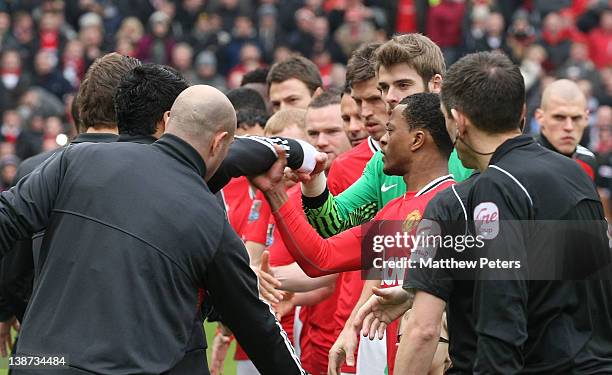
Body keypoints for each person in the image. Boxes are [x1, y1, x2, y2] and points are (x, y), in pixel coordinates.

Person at [0, 85, 306, 374]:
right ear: (218, 143)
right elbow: (256, 324)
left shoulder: (77, 159)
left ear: (170, 120)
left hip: (40, 362)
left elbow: (6, 219)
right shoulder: (208, 216)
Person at [358, 51, 612, 374]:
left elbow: (428, 331)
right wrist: (419, 288)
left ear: (458, 120)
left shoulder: (463, 201)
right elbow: (558, 277)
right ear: (522, 113)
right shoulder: (576, 175)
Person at [253, 93, 456, 375]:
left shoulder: (454, 206)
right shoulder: (393, 211)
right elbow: (321, 259)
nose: (383, 140)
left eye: (391, 130)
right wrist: (275, 194)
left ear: (417, 140)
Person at [534, 79, 597, 180]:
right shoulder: (521, 160)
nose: (569, 127)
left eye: (576, 118)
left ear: (586, 119)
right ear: (540, 117)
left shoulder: (588, 160)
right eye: (559, 117)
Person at [305, 90, 352, 169]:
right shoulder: (293, 179)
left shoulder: (375, 176)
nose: (321, 142)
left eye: (332, 132)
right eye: (313, 133)